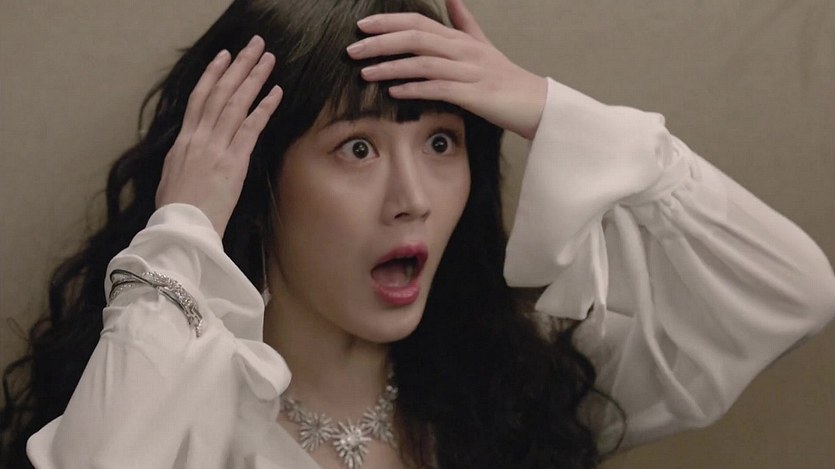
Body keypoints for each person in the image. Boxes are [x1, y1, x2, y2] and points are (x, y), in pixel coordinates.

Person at [2, 0, 834, 468]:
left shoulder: (521, 390)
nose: (412, 200)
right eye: (357, 149)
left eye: (440, 143)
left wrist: (553, 110)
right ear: (252, 178)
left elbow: (792, 293)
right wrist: (183, 230)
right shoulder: (182, 422)